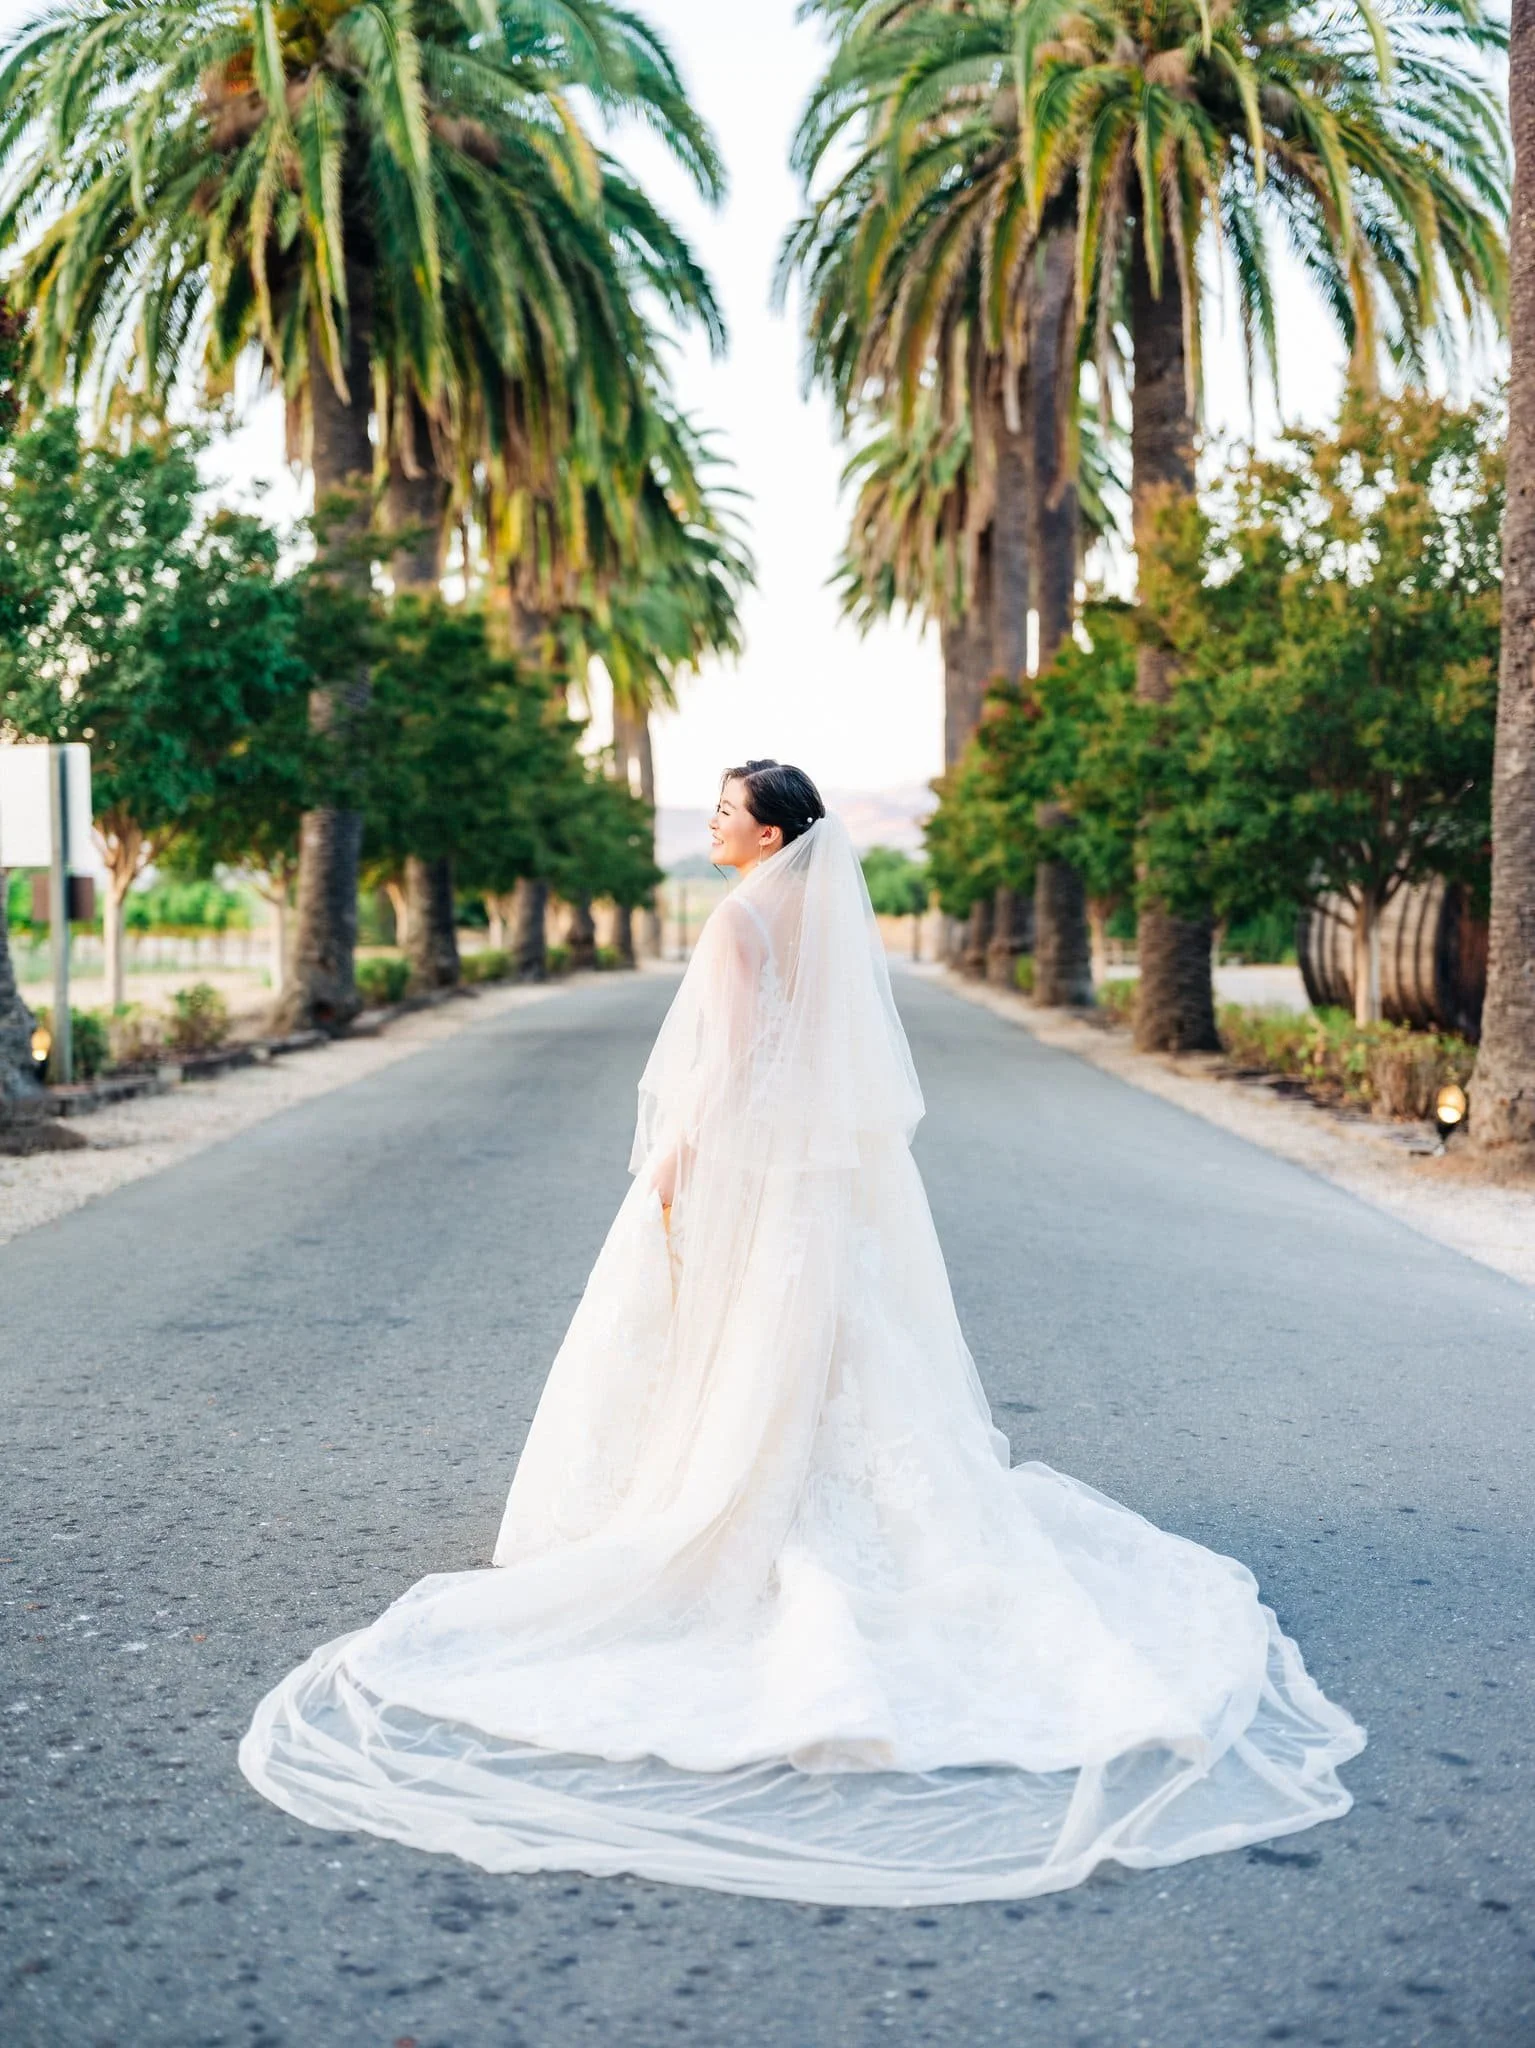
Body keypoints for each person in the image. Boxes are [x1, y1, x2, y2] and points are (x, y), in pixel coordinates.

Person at [240, 759, 1364, 1906]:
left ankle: (737, 1497)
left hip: (748, 1165)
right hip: (814, 1175)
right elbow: (818, 1061)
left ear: (769, 834)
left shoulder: (735, 924)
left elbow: (725, 1072)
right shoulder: (812, 923)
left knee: (745, 1341)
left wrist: (672, 1173)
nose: (712, 823)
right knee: (829, 1343)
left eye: (726, 811)